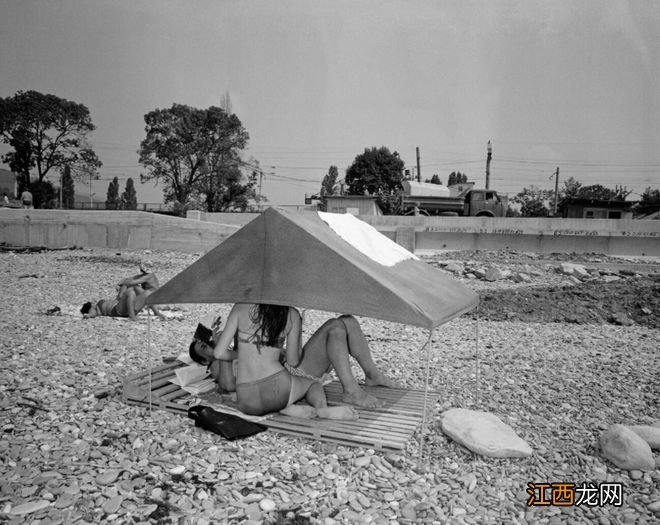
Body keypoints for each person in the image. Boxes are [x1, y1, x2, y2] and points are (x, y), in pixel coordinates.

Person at [209, 303, 401, 418]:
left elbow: (219, 353)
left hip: (252, 393)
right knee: (336, 328)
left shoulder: (240, 308)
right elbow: (293, 361)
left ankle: (372, 374)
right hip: (283, 375)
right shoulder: (289, 313)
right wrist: (294, 335)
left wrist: (240, 353)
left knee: (347, 321)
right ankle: (348, 391)